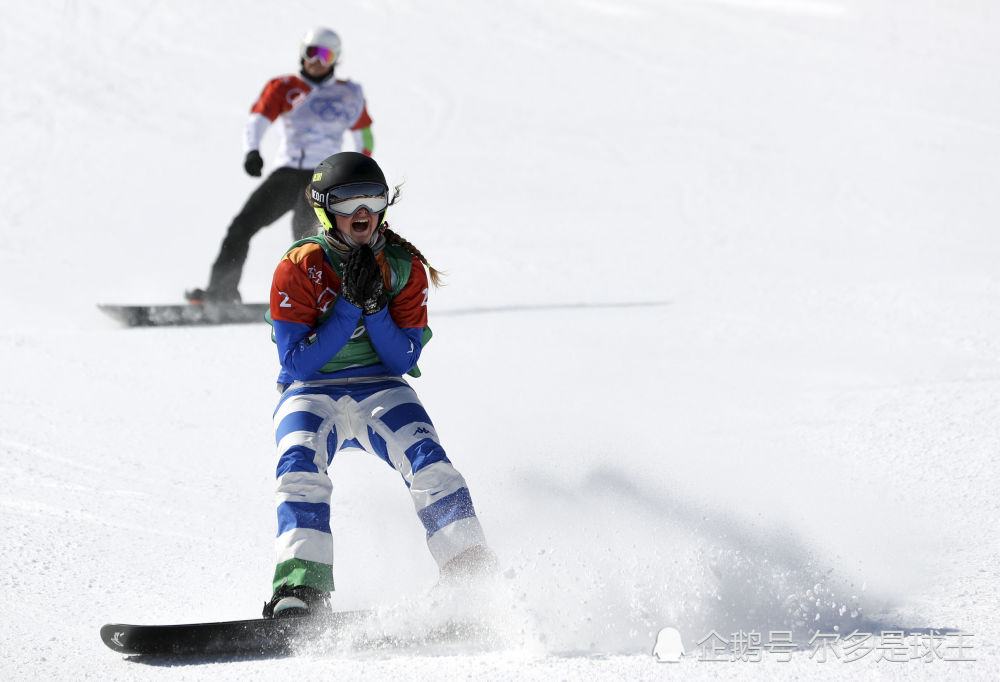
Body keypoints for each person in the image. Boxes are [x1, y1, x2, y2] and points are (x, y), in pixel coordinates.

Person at [261, 151, 497, 618]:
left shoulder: (402, 265)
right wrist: (348, 306)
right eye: (348, 201)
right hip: (311, 391)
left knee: (429, 462)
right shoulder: (299, 266)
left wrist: (375, 309)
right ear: (326, 207)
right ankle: (302, 588)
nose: (363, 212)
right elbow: (297, 363)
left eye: (373, 198)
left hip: (382, 386)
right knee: (299, 467)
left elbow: (403, 359)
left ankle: (470, 572)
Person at [187, 27, 374, 304]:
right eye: (312, 52)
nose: (317, 61)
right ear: (302, 53)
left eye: (325, 55)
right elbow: (257, 120)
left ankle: (318, 296)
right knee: (241, 226)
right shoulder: (285, 87)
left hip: (324, 175)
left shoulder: (348, 93)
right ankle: (221, 292)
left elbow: (365, 136)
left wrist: (359, 171)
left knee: (307, 235)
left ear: (335, 58)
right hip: (288, 172)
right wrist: (252, 151)